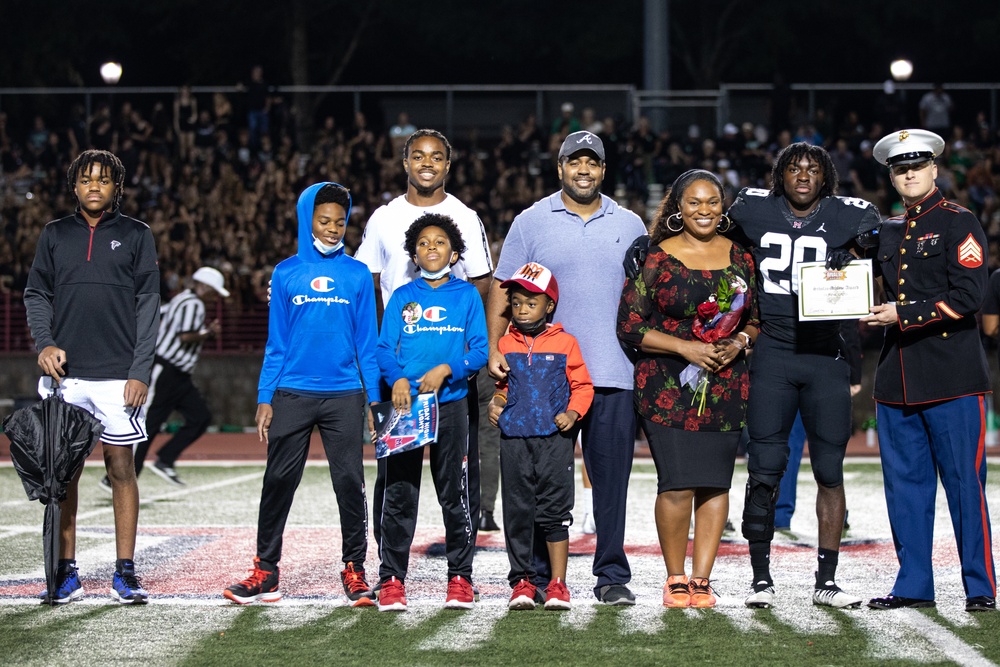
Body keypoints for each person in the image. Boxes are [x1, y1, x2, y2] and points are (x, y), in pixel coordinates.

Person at [486, 130, 647, 605]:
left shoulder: (631, 222)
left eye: (592, 163)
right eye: (574, 162)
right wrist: (497, 346)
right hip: (541, 379)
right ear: (559, 168)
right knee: (538, 485)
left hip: (614, 372)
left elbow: (645, 293)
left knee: (611, 485)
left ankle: (612, 575)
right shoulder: (531, 221)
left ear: (602, 170)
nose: (583, 170)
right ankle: (536, 577)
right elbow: (502, 286)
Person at [728, 142, 881, 609]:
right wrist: (653, 238)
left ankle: (827, 578)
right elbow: (702, 231)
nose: (802, 175)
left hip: (824, 356)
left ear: (825, 177)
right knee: (765, 468)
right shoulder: (753, 207)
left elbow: (880, 233)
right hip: (773, 352)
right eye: (794, 167)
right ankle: (760, 576)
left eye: (812, 169)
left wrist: (855, 253)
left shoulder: (848, 213)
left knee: (830, 470)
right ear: (780, 174)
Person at [223, 182, 380, 606]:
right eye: (324, 220)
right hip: (292, 393)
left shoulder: (358, 274)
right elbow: (276, 343)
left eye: (340, 222)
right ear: (306, 219)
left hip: (344, 395)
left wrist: (374, 399)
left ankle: (355, 569)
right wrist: (264, 396)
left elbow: (367, 343)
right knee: (278, 481)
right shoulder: (286, 271)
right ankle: (265, 571)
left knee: (349, 482)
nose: (332, 229)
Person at [862, 129, 997, 612]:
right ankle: (914, 584)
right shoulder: (888, 231)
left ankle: (979, 587)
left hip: (953, 379)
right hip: (897, 381)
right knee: (906, 491)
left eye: (917, 165)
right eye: (900, 168)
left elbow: (968, 297)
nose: (909, 173)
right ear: (892, 178)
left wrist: (903, 313)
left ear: (935, 169)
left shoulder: (961, 222)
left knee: (965, 486)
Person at [24, 149, 160, 604]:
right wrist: (43, 343)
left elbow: (148, 305)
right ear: (75, 186)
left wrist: (140, 370)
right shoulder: (55, 234)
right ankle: (66, 571)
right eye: (86, 179)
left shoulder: (137, 235)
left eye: (103, 179)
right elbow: (36, 293)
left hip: (118, 377)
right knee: (64, 476)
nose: (94, 186)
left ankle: (125, 571)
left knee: (121, 469)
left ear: (116, 186)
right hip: (67, 378)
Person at [618, 169, 759, 608]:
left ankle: (702, 580)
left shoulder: (741, 257)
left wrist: (738, 342)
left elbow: (756, 319)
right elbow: (629, 325)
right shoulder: (656, 257)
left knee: (716, 484)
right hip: (666, 385)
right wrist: (687, 348)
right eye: (694, 202)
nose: (704, 210)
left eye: (712, 202)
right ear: (678, 208)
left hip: (726, 384)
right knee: (677, 484)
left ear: (723, 207)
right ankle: (675, 577)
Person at [354, 128, 493, 552]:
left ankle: (461, 565)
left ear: (448, 166)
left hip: (448, 372)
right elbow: (367, 281)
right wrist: (391, 346)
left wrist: (455, 347)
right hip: (396, 369)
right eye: (418, 156)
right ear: (405, 163)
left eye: (436, 157)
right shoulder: (383, 217)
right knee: (394, 473)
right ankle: (388, 565)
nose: (427, 163)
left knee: (456, 473)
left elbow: (483, 283)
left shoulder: (466, 217)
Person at [374, 213, 488, 612]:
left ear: (454, 252)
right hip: (406, 406)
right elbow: (385, 350)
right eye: (423, 243)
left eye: (440, 242)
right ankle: (391, 579)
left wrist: (447, 369)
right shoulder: (403, 297)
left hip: (453, 404)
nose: (432, 248)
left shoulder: (467, 296)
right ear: (413, 253)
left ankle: (460, 577)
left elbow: (479, 351)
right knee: (400, 492)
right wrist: (398, 379)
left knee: (455, 493)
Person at [488, 262, 594, 611]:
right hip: (515, 440)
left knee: (554, 512)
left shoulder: (566, 342)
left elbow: (582, 386)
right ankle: (521, 581)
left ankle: (557, 584)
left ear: (549, 306)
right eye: (516, 303)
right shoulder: (505, 342)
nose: (521, 309)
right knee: (518, 512)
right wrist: (497, 402)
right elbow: (504, 388)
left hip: (554, 441)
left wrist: (573, 413)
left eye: (530, 303)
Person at [103, 266, 230, 490]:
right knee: (147, 423)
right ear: (203, 286)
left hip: (178, 375)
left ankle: (165, 459)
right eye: (213, 292)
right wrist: (208, 333)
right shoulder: (193, 303)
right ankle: (118, 475)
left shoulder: (183, 300)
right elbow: (184, 336)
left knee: (200, 417)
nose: (214, 298)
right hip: (167, 370)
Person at [775, 321, 863, 531]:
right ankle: (836, 515)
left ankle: (780, 515)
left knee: (794, 445)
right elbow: (847, 326)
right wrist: (854, 372)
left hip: (793, 361)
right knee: (828, 447)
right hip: (826, 363)